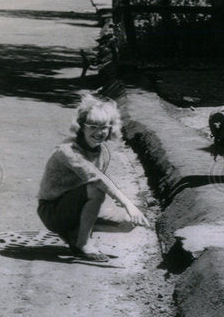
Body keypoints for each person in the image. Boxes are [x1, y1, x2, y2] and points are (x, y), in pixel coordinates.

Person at [37, 93, 149, 262]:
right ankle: (83, 244)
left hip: (76, 205)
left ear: (111, 128)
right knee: (96, 190)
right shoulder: (67, 150)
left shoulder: (102, 151)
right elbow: (97, 180)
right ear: (81, 127)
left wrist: (125, 209)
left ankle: (75, 233)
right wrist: (128, 203)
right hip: (53, 210)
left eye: (104, 127)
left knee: (128, 223)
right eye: (93, 127)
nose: (99, 132)